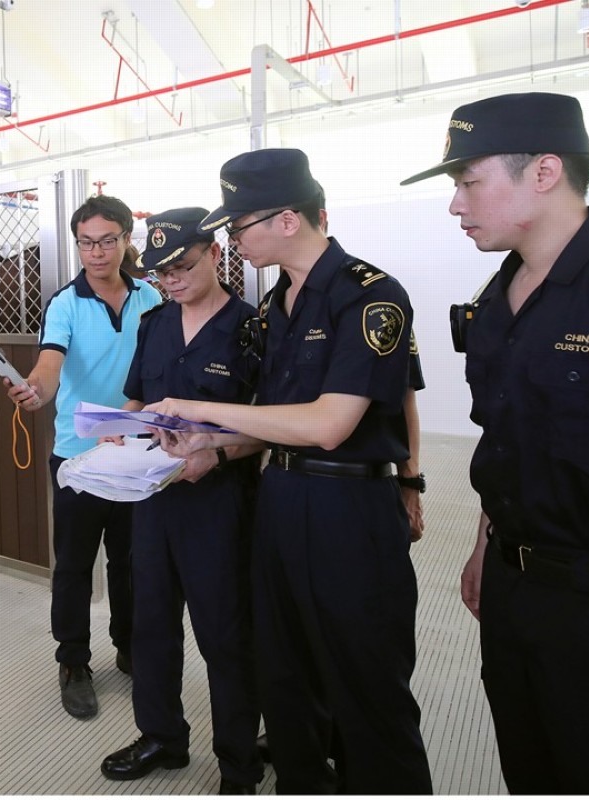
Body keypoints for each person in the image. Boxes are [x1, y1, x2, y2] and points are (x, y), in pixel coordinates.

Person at [145, 149, 432, 794]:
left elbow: (331, 423)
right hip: (278, 500)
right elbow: (269, 419)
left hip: (347, 508)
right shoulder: (277, 308)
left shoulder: (371, 296)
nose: (233, 239)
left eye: (238, 225)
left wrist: (197, 406)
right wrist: (211, 445)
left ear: (286, 219)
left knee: (365, 682)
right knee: (285, 673)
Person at [401, 92, 589, 792]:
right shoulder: (497, 302)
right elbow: (508, 444)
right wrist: (484, 547)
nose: (456, 205)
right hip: (516, 591)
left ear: (545, 172)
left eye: (469, 181)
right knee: (529, 766)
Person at [96, 208, 263, 793]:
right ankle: (162, 737)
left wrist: (214, 452)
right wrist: (121, 426)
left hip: (218, 504)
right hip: (154, 498)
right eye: (161, 273)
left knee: (225, 634)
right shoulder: (156, 323)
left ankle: (239, 761)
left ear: (216, 253)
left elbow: (265, 427)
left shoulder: (251, 328)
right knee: (152, 624)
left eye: (182, 267)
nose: (171, 281)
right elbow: (142, 401)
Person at [4, 195, 162, 719]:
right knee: (73, 565)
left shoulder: (152, 298)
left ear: (125, 241)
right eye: (86, 243)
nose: (96, 252)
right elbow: (50, 363)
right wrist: (35, 390)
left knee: (131, 562)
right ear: (77, 245)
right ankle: (73, 660)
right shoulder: (64, 303)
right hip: (78, 457)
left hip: (135, 451)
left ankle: (128, 645)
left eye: (107, 241)